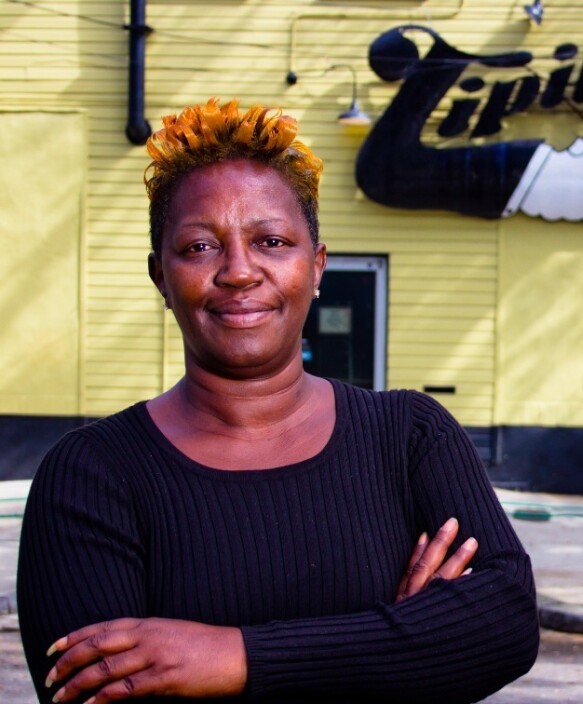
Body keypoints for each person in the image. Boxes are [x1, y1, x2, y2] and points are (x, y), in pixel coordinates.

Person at [17, 98, 540, 704]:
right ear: (161, 276)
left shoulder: (409, 435)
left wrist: (233, 656)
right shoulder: (91, 476)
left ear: (316, 268)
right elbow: (91, 692)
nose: (239, 272)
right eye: (198, 248)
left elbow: (505, 619)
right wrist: (404, 647)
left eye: (270, 240)